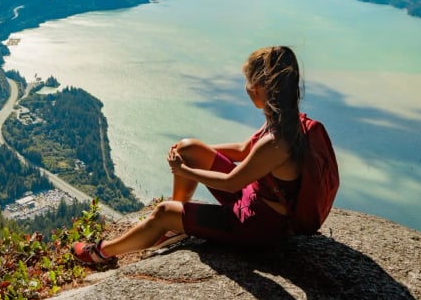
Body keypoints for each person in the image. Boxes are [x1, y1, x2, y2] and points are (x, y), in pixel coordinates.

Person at [72, 45, 306, 265]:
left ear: (260, 87)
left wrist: (184, 170)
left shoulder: (276, 142)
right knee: (188, 148)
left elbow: (231, 182)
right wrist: (196, 150)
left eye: (248, 81)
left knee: (163, 212)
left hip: (257, 226)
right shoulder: (288, 120)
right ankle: (176, 226)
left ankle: (102, 252)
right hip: (255, 202)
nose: (246, 88)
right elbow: (245, 150)